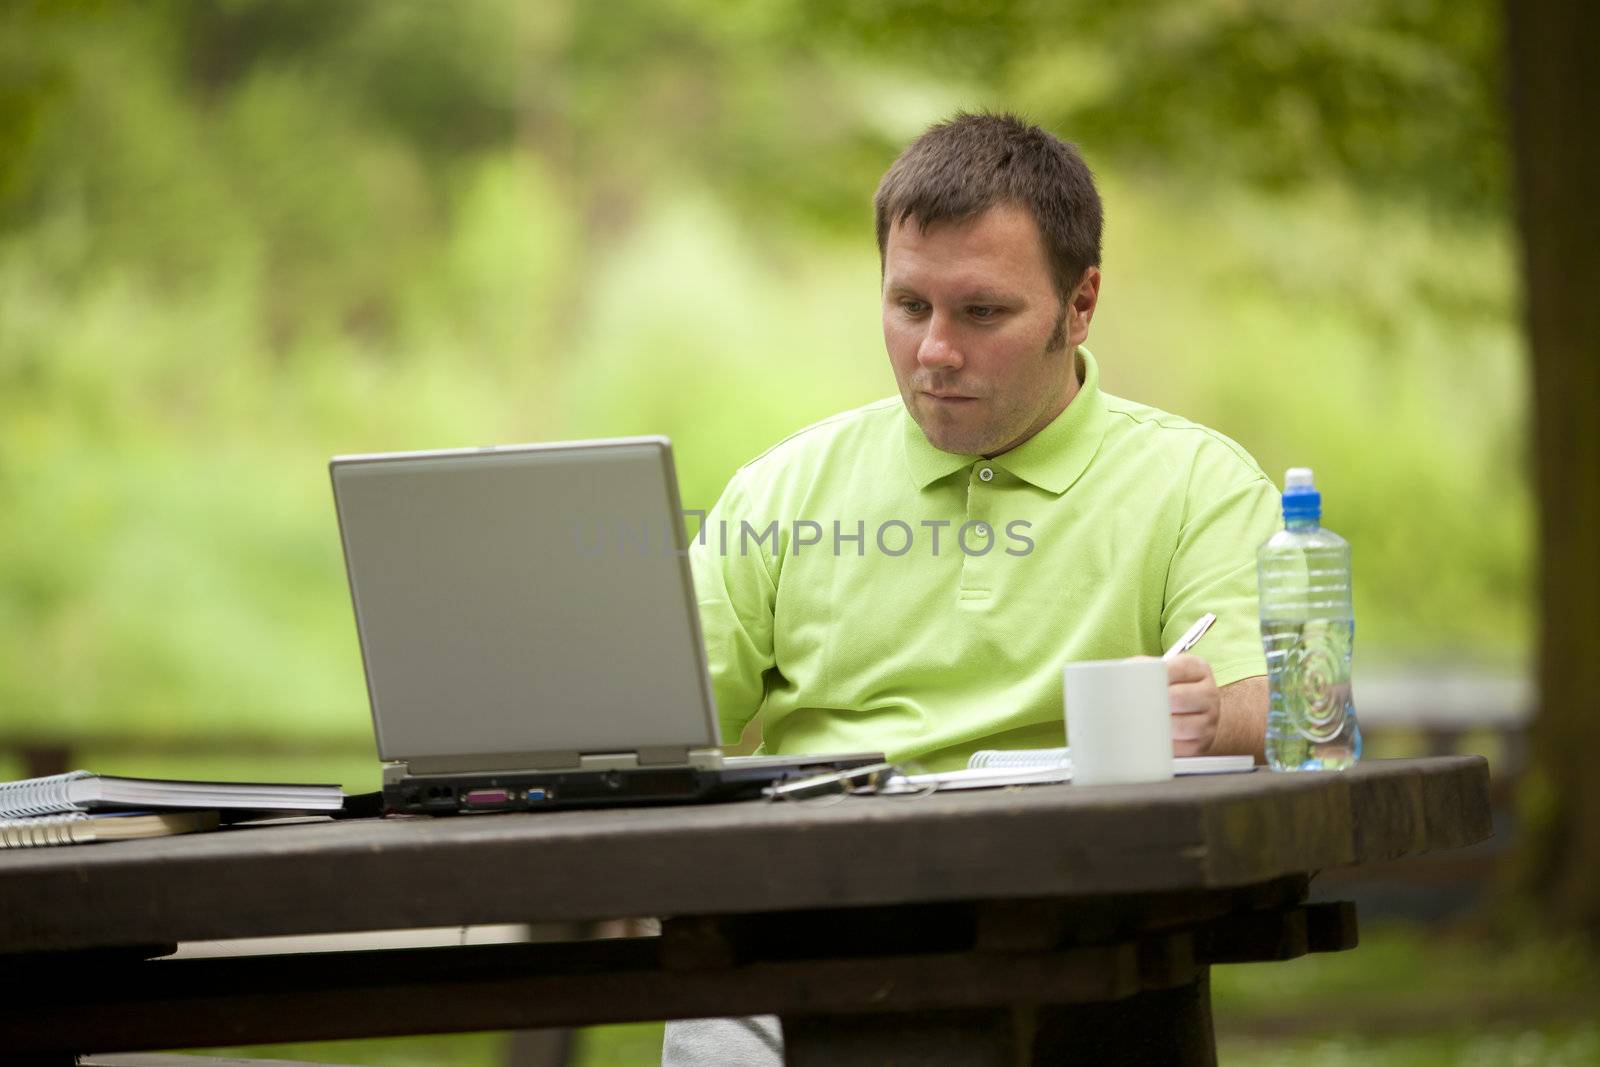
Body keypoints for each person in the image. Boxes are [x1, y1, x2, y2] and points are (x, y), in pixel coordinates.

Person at [662, 112, 1277, 1066]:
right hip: (797, 940)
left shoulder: (1199, 483)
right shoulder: (784, 488)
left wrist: (1210, 714)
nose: (935, 352)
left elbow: (1265, 701)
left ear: (1080, 307)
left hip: (1075, 941)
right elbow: (659, 713)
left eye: (981, 313)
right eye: (909, 307)